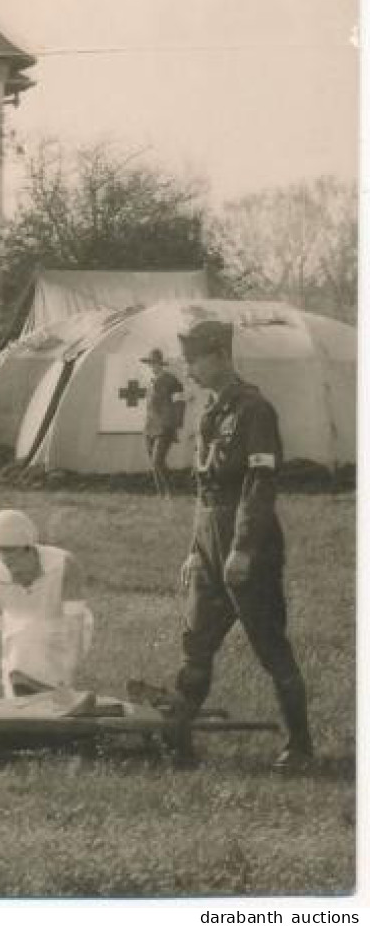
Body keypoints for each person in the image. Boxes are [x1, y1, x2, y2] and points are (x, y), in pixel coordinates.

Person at [165, 319, 311, 770]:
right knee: (196, 640)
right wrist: (195, 548)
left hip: (248, 539)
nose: (188, 371)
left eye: (194, 360)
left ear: (220, 356)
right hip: (210, 537)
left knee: (269, 643)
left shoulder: (253, 409)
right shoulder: (210, 410)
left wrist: (244, 548)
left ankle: (299, 745)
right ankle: (177, 738)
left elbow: (259, 483)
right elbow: (203, 490)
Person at [0, 509, 93, 700]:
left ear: (30, 548)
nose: (12, 571)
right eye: (5, 562)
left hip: (64, 626)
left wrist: (66, 683)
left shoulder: (65, 565)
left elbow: (74, 630)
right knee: (18, 687)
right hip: (17, 634)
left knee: (48, 685)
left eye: (15, 560)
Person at [142, 347, 186, 500]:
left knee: (157, 460)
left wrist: (177, 426)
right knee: (153, 463)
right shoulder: (150, 382)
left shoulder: (172, 381)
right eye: (150, 364)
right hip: (149, 427)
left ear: (161, 364)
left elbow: (180, 404)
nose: (152, 366)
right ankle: (160, 494)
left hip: (165, 426)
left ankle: (169, 492)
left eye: (155, 363)